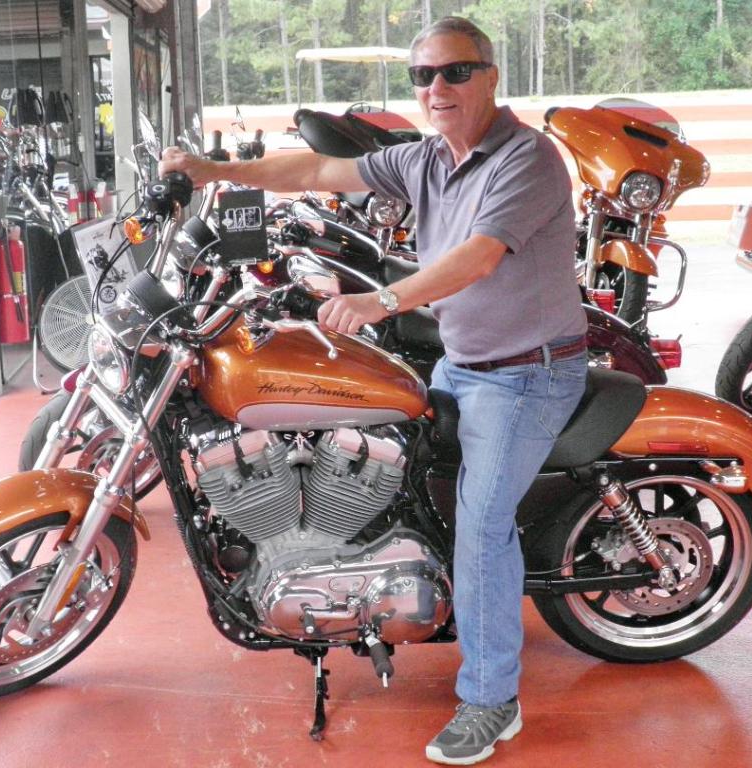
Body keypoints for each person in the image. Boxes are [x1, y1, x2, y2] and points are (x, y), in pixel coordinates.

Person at [159, 16, 586, 765]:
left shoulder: (527, 158)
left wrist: (379, 302)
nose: (437, 87)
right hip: (464, 360)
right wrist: (215, 170)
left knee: (482, 526)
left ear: (490, 75)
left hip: (526, 373)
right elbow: (318, 171)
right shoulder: (426, 157)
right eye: (423, 75)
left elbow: (480, 257)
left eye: (455, 71)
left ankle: (493, 700)